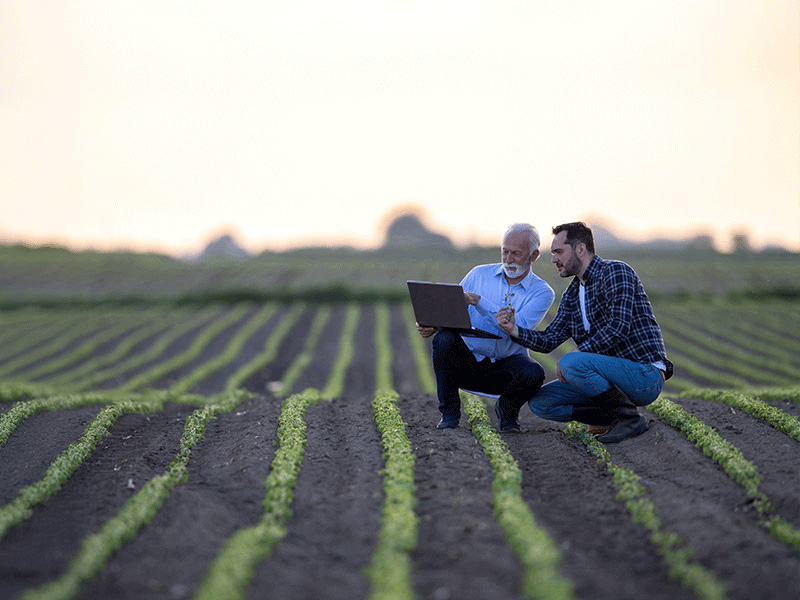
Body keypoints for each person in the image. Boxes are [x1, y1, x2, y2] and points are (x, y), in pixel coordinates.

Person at [496, 221, 673, 443]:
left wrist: (577, 354)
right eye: (552, 253)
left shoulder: (615, 272)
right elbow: (549, 339)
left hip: (643, 375)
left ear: (580, 249)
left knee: (572, 362)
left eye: (559, 252)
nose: (554, 259)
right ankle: (608, 418)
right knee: (541, 403)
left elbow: (618, 327)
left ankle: (629, 419)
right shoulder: (572, 294)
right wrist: (514, 330)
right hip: (605, 379)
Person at [417, 223, 555, 431]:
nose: (508, 259)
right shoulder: (478, 275)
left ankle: (507, 413)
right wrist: (432, 325)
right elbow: (453, 310)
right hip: (468, 364)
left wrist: (479, 301)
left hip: (505, 368)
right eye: (505, 252)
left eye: (516, 254)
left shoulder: (542, 292)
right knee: (443, 339)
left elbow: (520, 327)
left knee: (533, 372)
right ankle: (449, 415)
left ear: (534, 255)